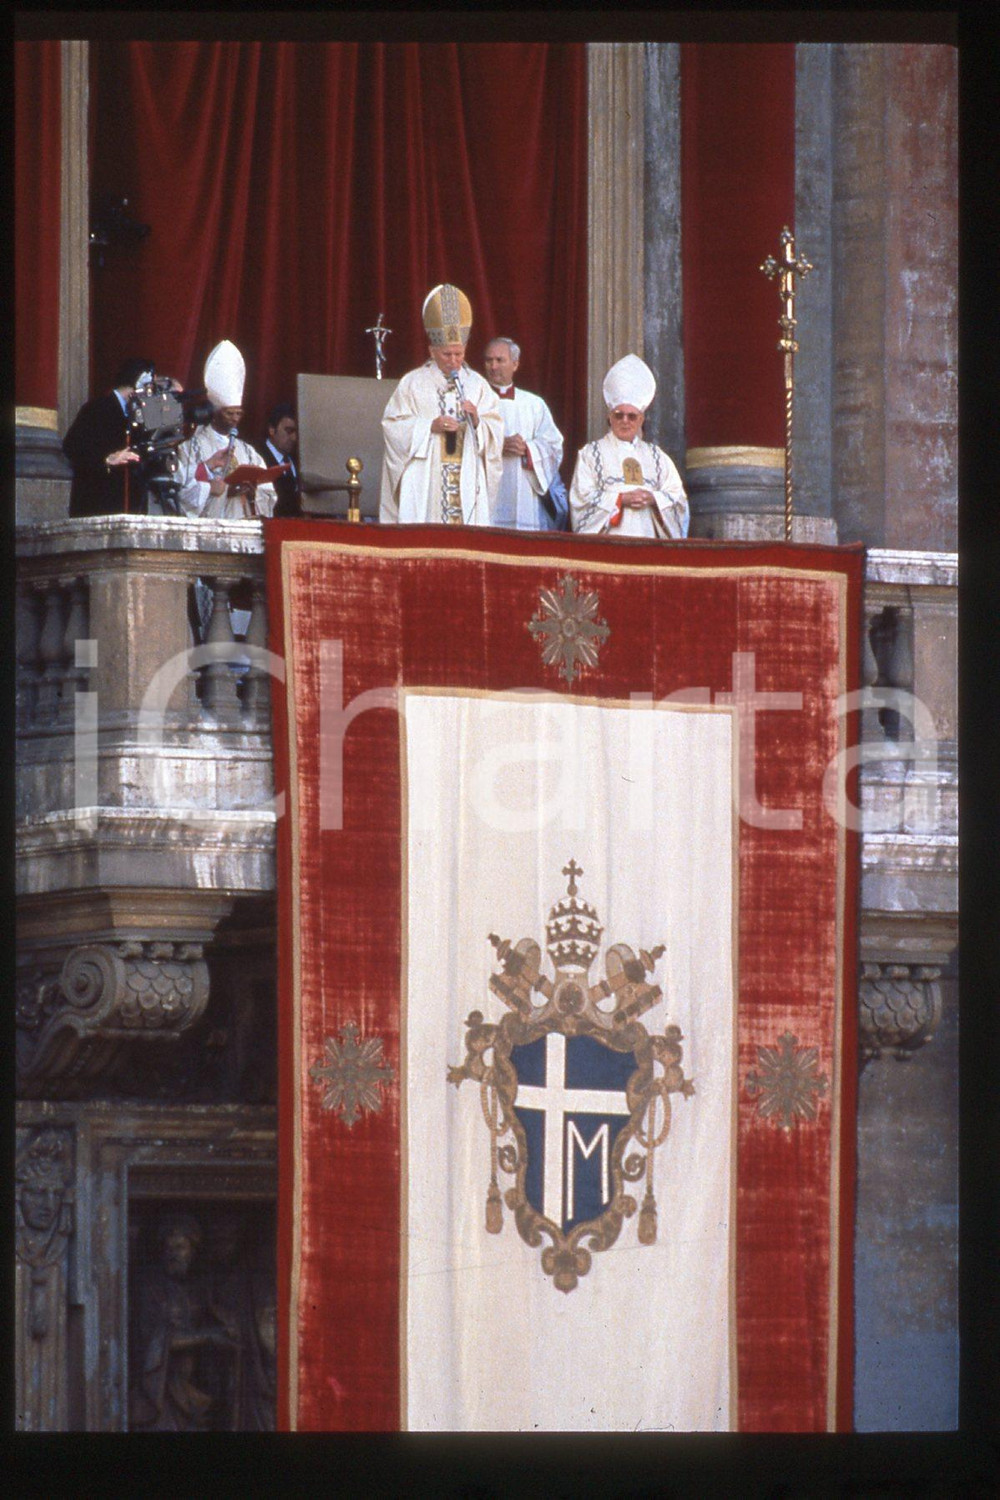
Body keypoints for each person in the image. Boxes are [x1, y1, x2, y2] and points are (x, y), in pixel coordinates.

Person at [380, 283, 503, 526]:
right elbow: (392, 426)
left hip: (466, 476)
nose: (454, 361)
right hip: (427, 478)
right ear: (432, 350)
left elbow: (495, 429)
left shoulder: (477, 385)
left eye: (459, 354)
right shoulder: (413, 383)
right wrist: (428, 427)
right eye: (447, 355)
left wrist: (478, 421)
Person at [569, 354, 689, 539]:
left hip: (647, 537)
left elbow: (678, 498)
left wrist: (652, 498)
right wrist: (621, 499)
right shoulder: (591, 454)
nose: (625, 421)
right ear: (610, 417)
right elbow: (581, 498)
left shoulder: (657, 456)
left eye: (632, 416)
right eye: (619, 415)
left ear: (641, 419)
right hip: (608, 541)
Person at [176, 341, 278, 520]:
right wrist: (222, 491)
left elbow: (269, 493)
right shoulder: (192, 447)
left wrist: (253, 491)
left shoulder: (247, 451)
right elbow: (182, 492)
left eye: (239, 413)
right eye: (229, 413)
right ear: (214, 414)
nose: (235, 418)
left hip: (241, 523)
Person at [483, 337, 566, 530]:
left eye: (499, 360)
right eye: (489, 360)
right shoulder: (476, 399)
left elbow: (554, 446)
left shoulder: (533, 404)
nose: (493, 366)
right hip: (486, 490)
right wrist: (497, 445)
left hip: (524, 493)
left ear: (515, 364)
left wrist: (528, 450)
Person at [62, 356, 156, 516]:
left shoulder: (138, 415)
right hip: (97, 504)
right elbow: (72, 447)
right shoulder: (97, 408)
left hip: (129, 505)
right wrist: (106, 459)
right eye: (150, 385)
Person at [260, 403, 300, 517]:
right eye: (288, 431)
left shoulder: (297, 459)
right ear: (272, 430)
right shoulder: (257, 456)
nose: (294, 438)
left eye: (296, 432)